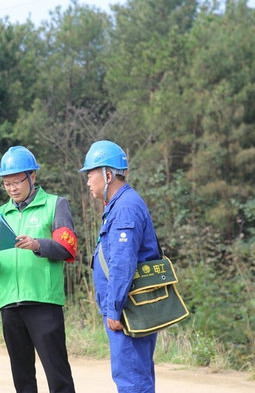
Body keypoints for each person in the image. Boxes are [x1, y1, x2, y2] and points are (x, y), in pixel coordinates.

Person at [0, 146, 77, 393]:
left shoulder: (55, 205)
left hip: (43, 301)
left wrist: (37, 245)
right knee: (22, 377)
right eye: (7, 183)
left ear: (32, 176)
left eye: (17, 181)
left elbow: (67, 249)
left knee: (57, 373)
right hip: (10, 303)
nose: (12, 188)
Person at [79, 140, 159, 393]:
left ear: (108, 175)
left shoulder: (125, 207)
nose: (88, 181)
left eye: (90, 174)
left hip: (127, 309)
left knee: (132, 378)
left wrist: (114, 308)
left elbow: (122, 263)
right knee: (134, 374)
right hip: (127, 306)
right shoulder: (119, 205)